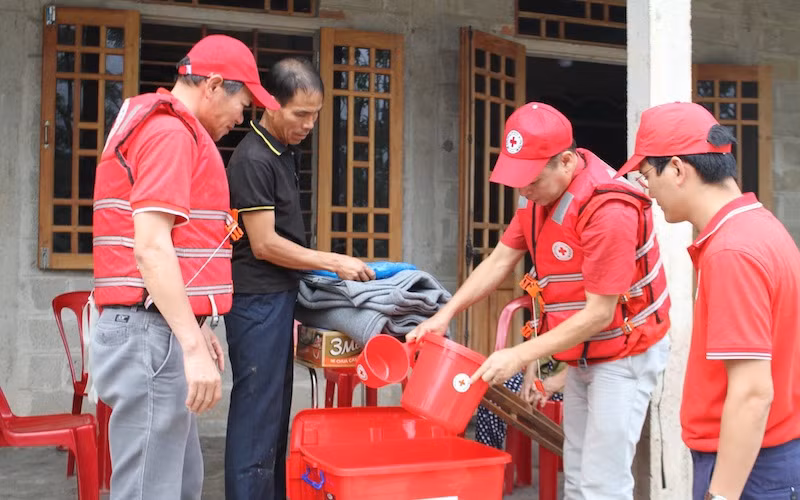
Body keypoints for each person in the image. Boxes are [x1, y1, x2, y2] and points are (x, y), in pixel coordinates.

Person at [408, 102, 671, 499]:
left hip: (624, 353)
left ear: (566, 162)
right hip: (582, 352)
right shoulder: (537, 198)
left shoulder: (608, 209)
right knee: (579, 472)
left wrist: (518, 355)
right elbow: (499, 259)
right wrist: (444, 315)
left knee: (604, 482)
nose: (522, 190)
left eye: (530, 180)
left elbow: (600, 313)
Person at [91, 35, 275, 499]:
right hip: (148, 334)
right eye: (242, 104)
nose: (241, 120)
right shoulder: (170, 132)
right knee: (152, 491)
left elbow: (171, 244)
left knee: (180, 484)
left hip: (156, 328)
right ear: (213, 84)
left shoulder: (160, 126)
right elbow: (152, 247)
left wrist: (193, 322)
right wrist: (191, 346)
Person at [616, 101, 800, 500]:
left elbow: (753, 392)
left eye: (647, 176)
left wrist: (722, 495)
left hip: (753, 466)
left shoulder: (732, 251)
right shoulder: (761, 227)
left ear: (678, 169)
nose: (648, 192)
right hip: (767, 457)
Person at [224, 57, 375, 500]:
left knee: (273, 414)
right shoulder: (253, 158)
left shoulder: (282, 152)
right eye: (300, 114)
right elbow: (266, 244)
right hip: (256, 300)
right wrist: (334, 262)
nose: (309, 124)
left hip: (278, 297)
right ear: (270, 104)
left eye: (315, 115)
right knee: (257, 416)